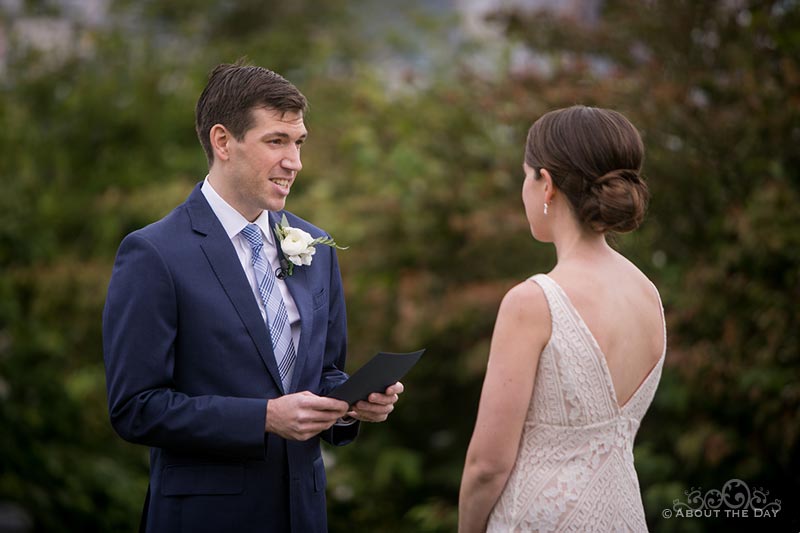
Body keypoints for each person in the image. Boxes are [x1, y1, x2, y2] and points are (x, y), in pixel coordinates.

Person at [102, 62, 404, 533]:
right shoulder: (154, 253)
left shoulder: (316, 246)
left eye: (298, 143)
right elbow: (136, 408)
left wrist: (351, 405)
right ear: (223, 142)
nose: (295, 162)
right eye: (276, 141)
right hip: (206, 518)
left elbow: (324, 372)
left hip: (303, 514)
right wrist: (262, 418)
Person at [459, 105, 666, 532]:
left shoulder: (533, 303)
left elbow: (487, 465)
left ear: (546, 184)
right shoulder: (648, 294)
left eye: (526, 174)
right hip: (622, 516)